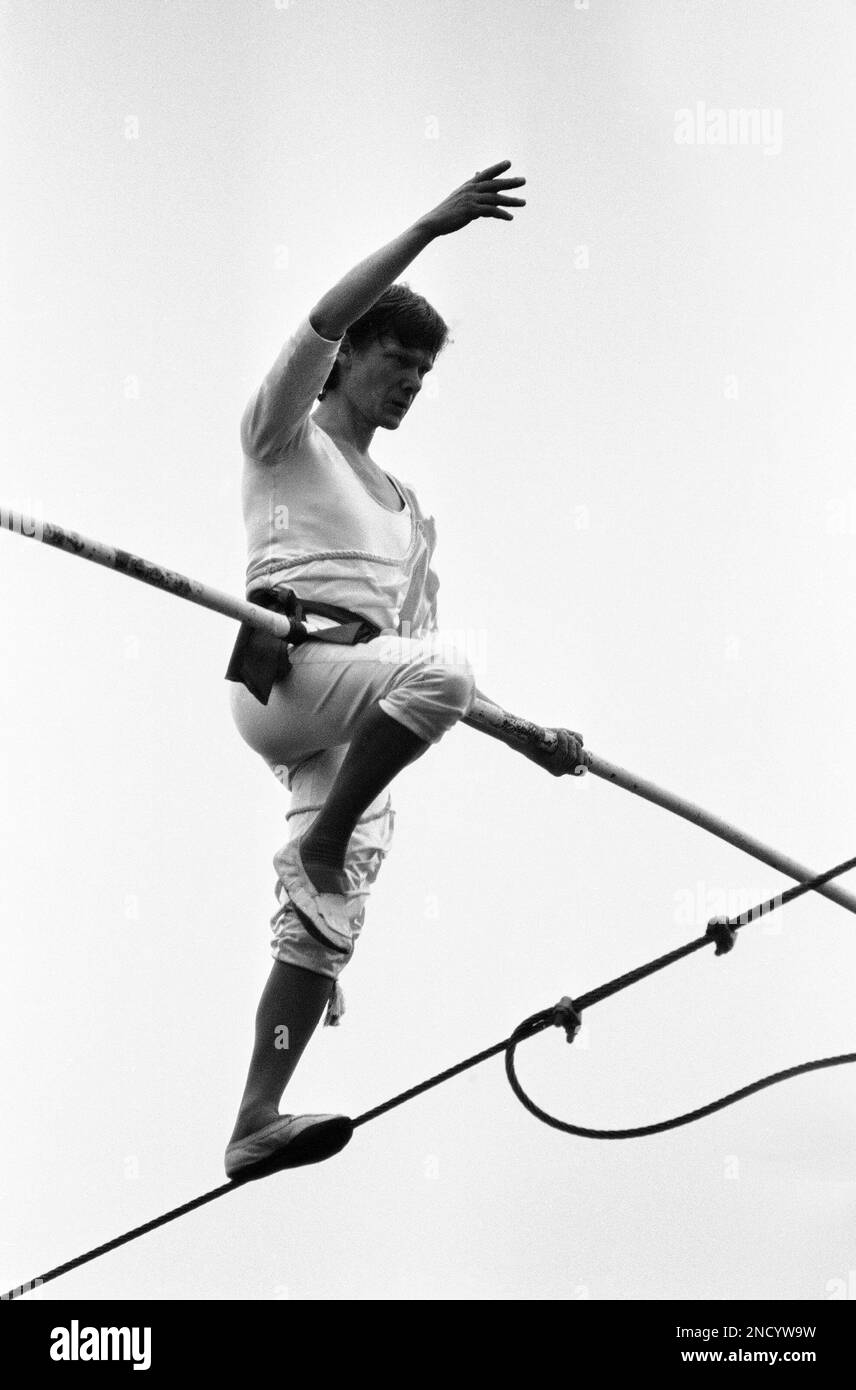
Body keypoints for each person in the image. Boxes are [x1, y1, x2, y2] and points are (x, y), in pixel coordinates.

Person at [224, 161, 582, 1180]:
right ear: (346, 363)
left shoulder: (408, 512)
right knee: (434, 679)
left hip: (360, 699)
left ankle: (255, 1117)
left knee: (321, 928)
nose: (411, 380)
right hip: (290, 676)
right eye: (396, 358)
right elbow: (320, 320)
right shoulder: (283, 437)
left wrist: (528, 738)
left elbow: (427, 671)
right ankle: (323, 838)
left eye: (425, 369)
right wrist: (427, 227)